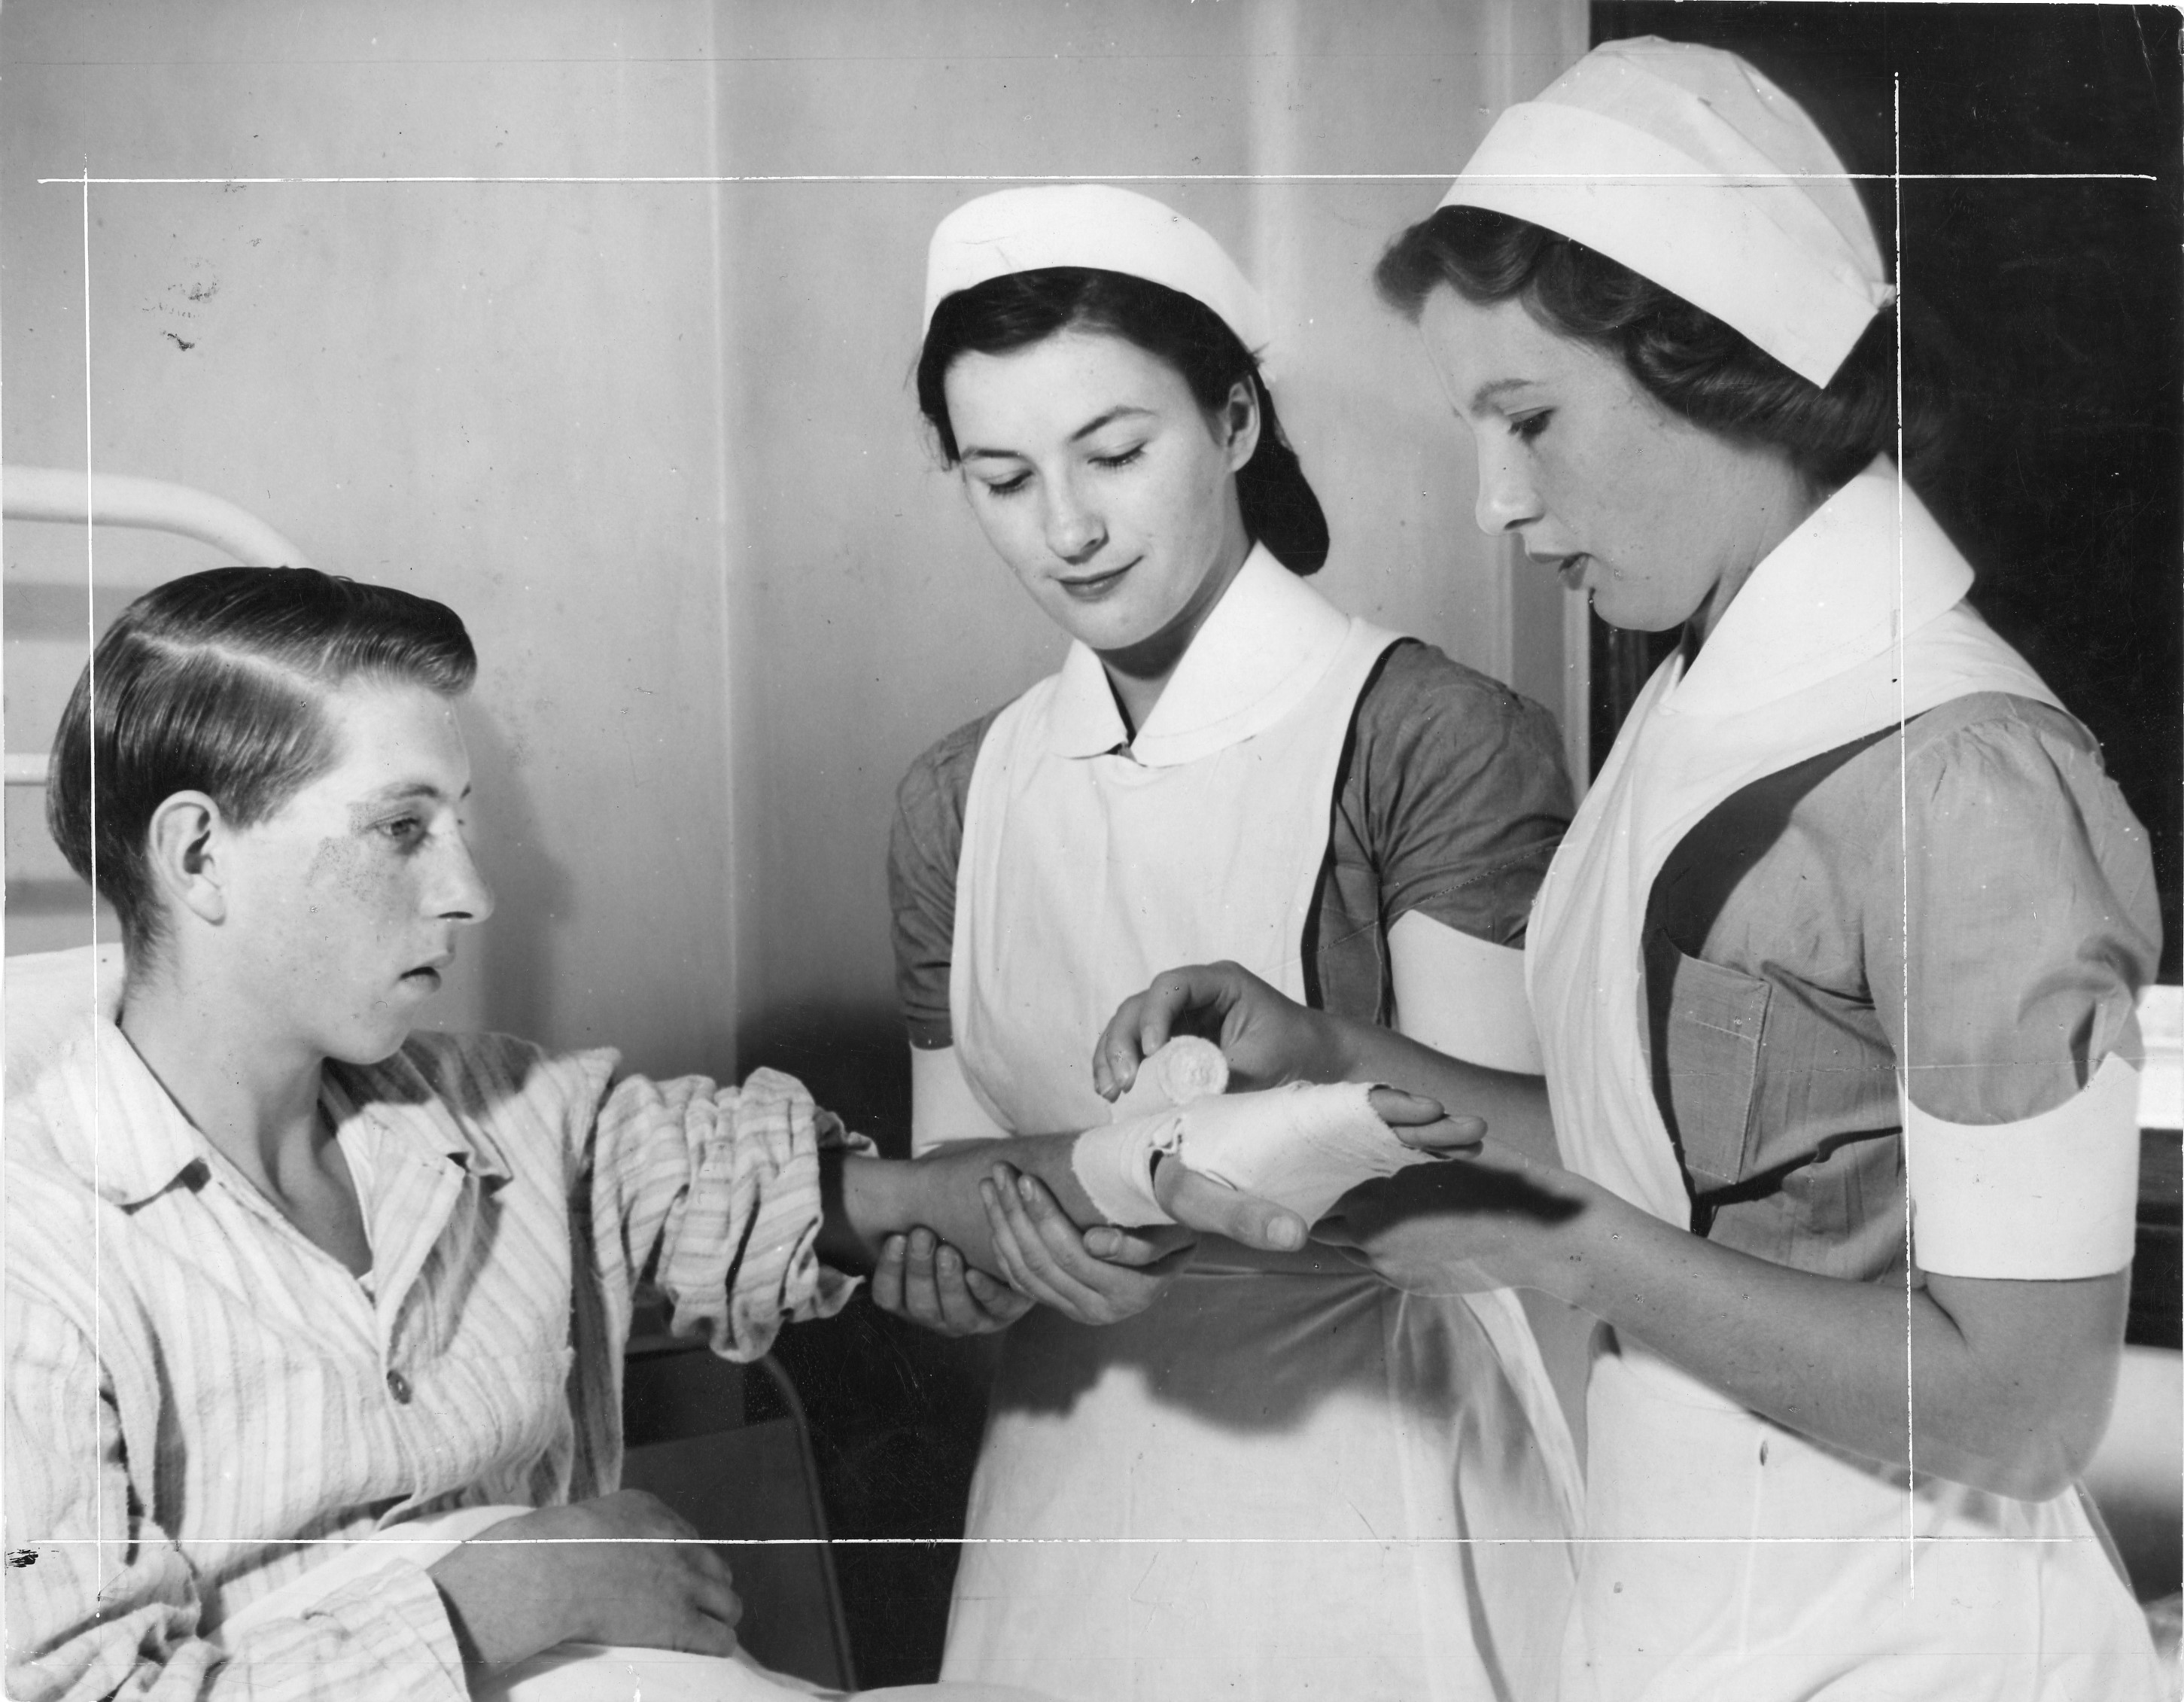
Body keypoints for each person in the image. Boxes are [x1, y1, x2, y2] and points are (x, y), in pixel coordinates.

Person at [1095, 37, 2169, 1700]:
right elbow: (1639, 1160)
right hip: (1703, 1612)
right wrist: (1327, 1055)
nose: (1491, 502)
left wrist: (1557, 1252)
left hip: (1918, 1644)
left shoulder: (1957, 775)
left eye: (1525, 421)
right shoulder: (1696, 701)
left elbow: (2018, 1410)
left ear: (1711, 367)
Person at [1, 566, 1314, 1702]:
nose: (469, 891)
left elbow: (881, 1197)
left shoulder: (504, 1117)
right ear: (195, 855)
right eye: (402, 828)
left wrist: (1137, 1181)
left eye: (459, 826)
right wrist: (512, 1587)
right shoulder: (40, 1252)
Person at [880, 184, 1584, 1702]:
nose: (1064, 527)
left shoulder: (1426, 737)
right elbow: (958, 1187)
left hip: (1372, 1490)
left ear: (1237, 421)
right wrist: (972, 1269)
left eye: (1116, 453)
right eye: (1000, 478)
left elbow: (1532, 1187)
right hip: (1064, 1513)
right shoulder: (957, 800)